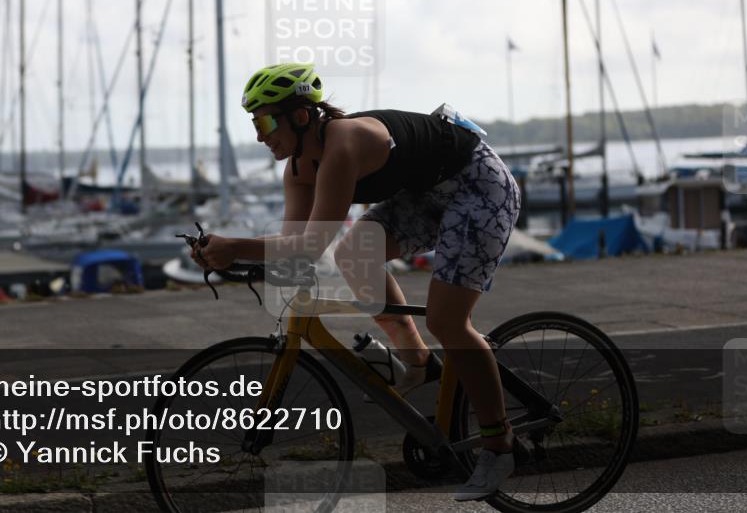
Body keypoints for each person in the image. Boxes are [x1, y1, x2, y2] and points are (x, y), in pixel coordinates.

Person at [191, 63, 522, 501]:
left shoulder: (343, 144)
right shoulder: (298, 169)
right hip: (426, 193)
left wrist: (235, 247)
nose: (259, 135)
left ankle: (498, 445)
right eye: (255, 123)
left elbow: (309, 244)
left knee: (447, 321)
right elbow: (294, 242)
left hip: (479, 187)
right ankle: (418, 363)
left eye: (266, 121)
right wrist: (240, 259)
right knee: (353, 255)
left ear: (302, 116)